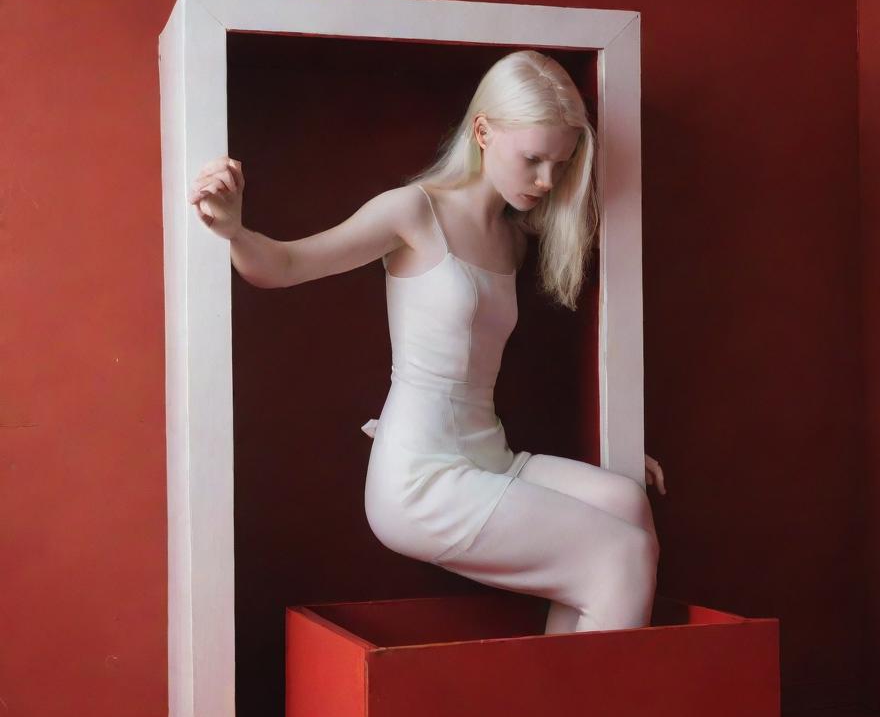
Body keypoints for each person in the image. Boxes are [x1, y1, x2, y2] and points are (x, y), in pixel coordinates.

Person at [188, 50, 666, 634]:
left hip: (490, 457)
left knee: (626, 505)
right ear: (483, 132)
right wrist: (234, 229)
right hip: (422, 475)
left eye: (560, 165)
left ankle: (559, 713)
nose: (545, 180)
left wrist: (618, 442)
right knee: (620, 556)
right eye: (533, 159)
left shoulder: (514, 239)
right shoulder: (414, 212)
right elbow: (285, 264)